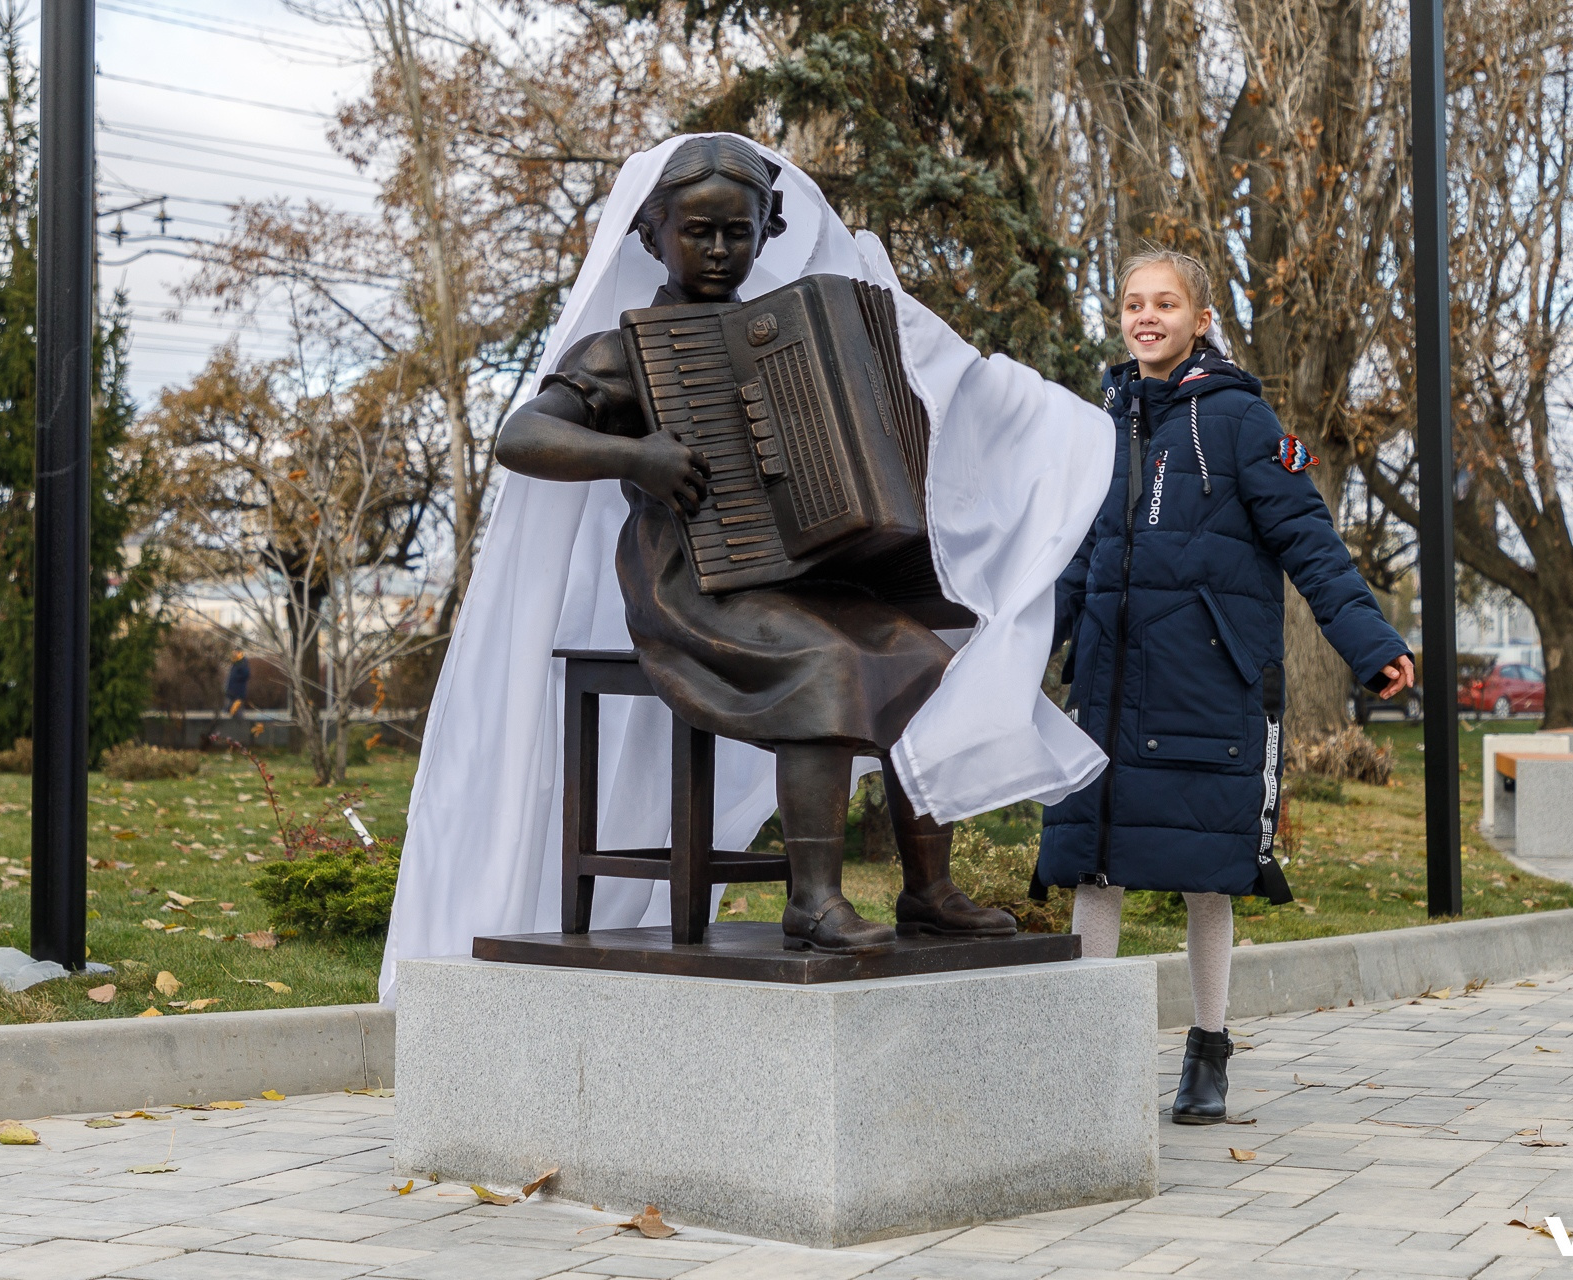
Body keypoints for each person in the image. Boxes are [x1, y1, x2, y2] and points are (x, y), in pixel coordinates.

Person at [491, 135, 1017, 954]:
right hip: (693, 584)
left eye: (738, 231)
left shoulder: (803, 335)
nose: (717, 248)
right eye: (696, 231)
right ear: (650, 235)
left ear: (768, 232)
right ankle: (812, 902)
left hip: (804, 578)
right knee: (830, 663)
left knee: (931, 663)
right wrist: (635, 456)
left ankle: (930, 891)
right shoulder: (629, 350)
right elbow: (520, 437)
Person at [1036, 247, 1414, 1124]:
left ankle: (1208, 1050)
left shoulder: (1240, 422)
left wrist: (1368, 641)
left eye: (1165, 303)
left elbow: (1307, 538)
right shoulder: (1104, 423)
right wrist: (1017, 654)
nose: (1146, 316)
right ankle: (1093, 1054)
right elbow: (1079, 558)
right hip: (1106, 683)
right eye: (1133, 302)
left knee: (1207, 873)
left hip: (1205, 683)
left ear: (1201, 319)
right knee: (1095, 863)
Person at [224, 650, 250, 718]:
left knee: (237, 713)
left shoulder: (241, 663)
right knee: (229, 711)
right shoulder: (235, 664)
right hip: (231, 692)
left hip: (238, 693)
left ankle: (239, 725)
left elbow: (246, 674)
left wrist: (236, 678)